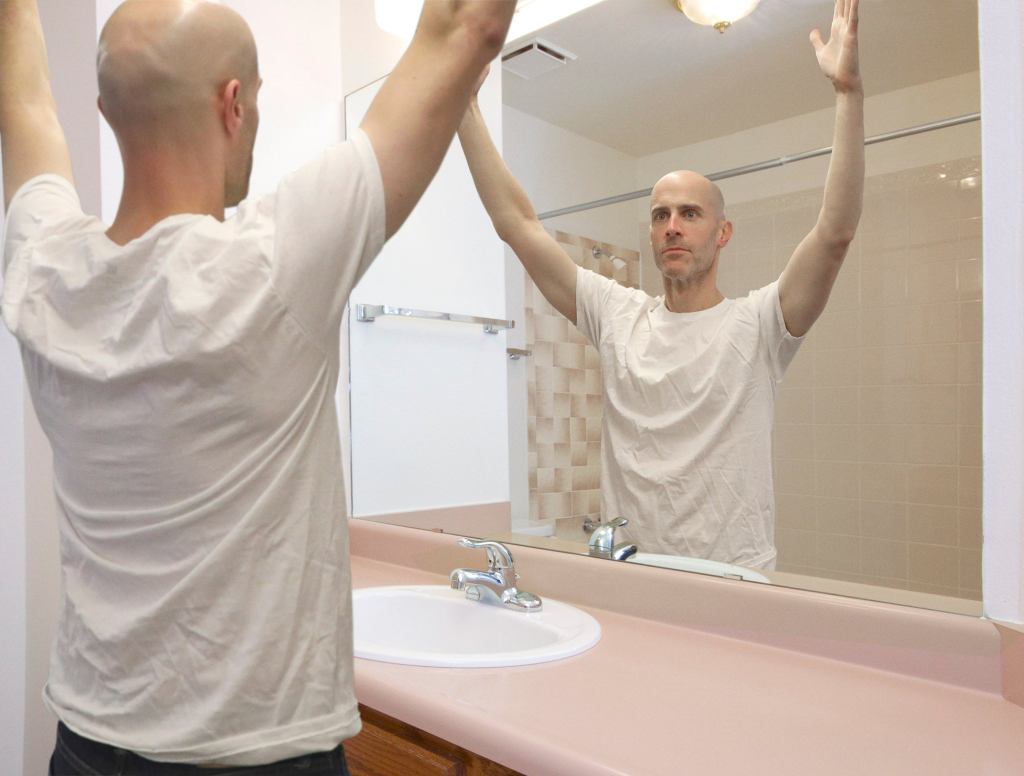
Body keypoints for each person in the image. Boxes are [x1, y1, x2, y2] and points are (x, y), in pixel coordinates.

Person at [0, 0, 515, 771]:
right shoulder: (275, 263)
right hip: (263, 756)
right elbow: (469, 26)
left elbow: (26, 96)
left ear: (106, 112)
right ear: (233, 103)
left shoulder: (42, 271)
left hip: (86, 745)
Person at [459, 0, 863, 570]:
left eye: (690, 214)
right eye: (660, 214)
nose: (672, 225)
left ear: (722, 233)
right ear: (650, 233)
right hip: (633, 572)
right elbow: (517, 225)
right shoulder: (616, 313)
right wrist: (462, 109)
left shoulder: (760, 324)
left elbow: (835, 233)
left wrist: (849, 95)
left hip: (733, 578)